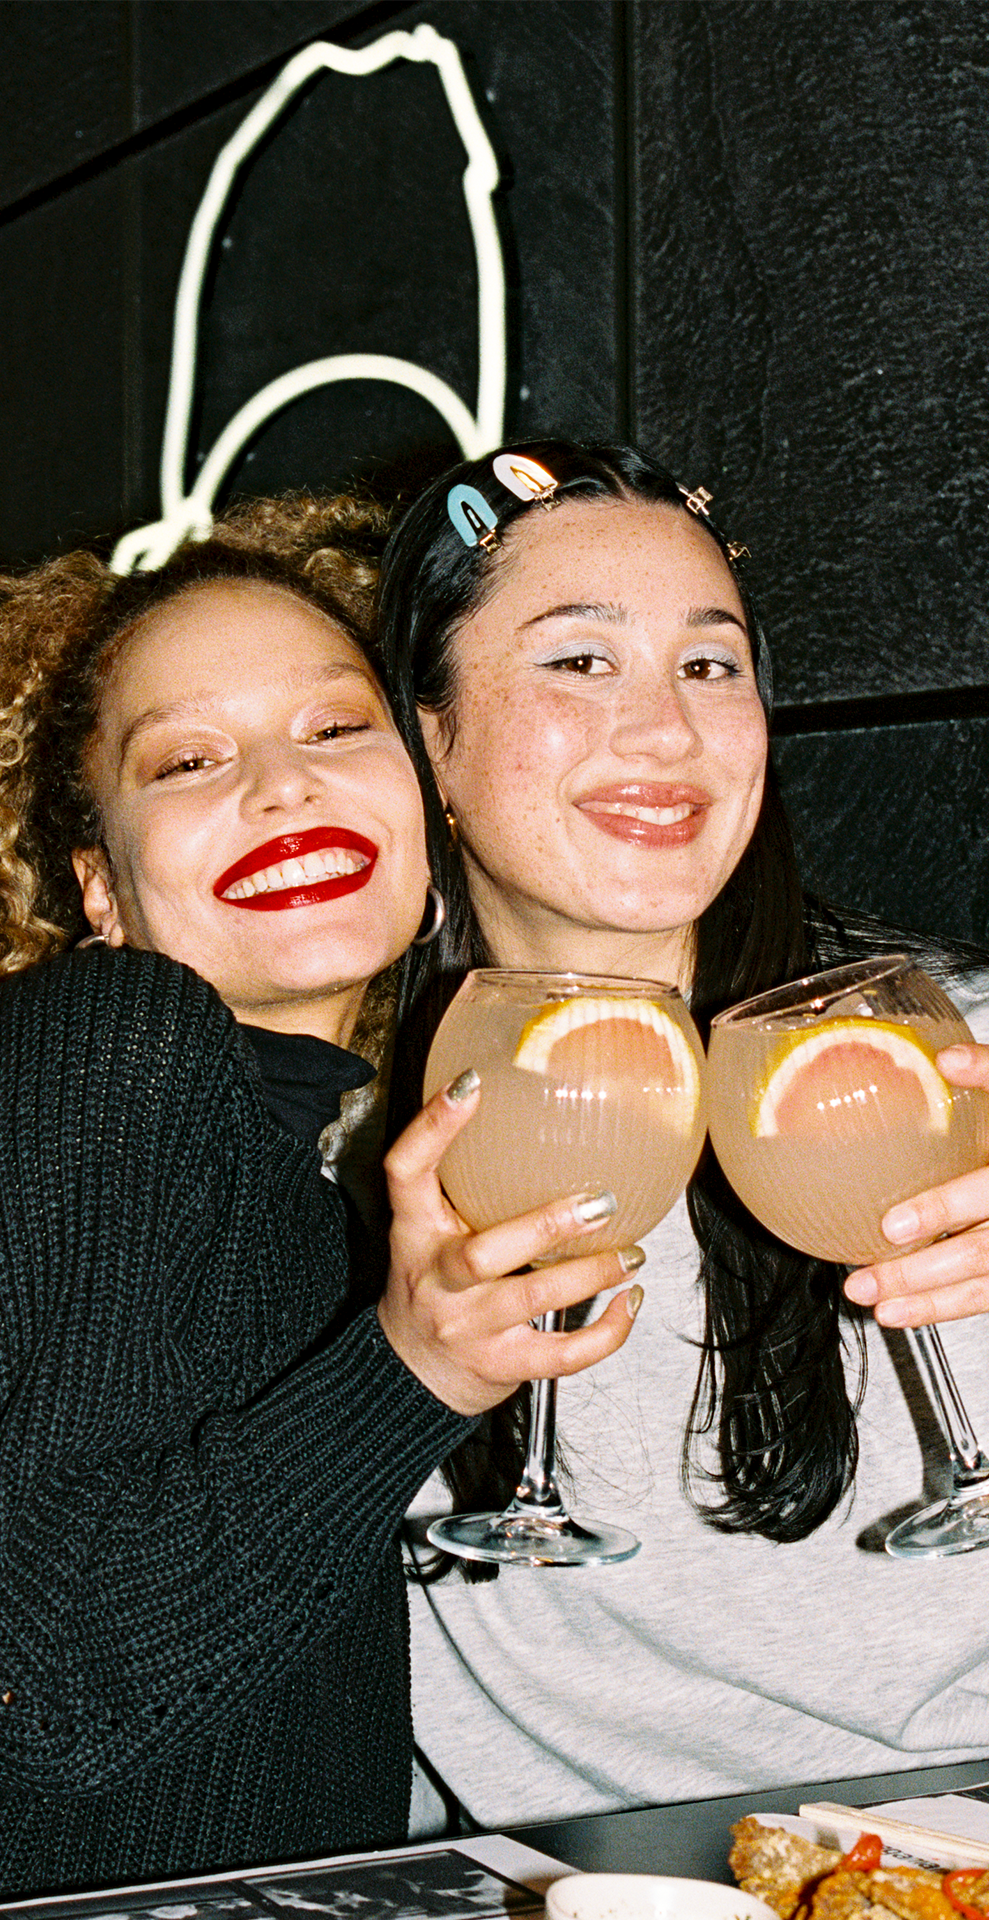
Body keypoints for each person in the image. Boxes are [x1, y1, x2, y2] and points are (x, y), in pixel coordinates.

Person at [0, 494, 636, 1905]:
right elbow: (22, 1688)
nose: (279, 788)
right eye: (187, 760)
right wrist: (408, 1374)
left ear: (426, 806)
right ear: (98, 891)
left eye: (331, 730)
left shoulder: (317, 1171)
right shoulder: (110, 1037)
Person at [375, 441, 989, 1831]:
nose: (665, 730)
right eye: (578, 662)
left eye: (711, 666)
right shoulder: (351, 1157)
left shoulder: (952, 1060)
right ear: (433, 741)